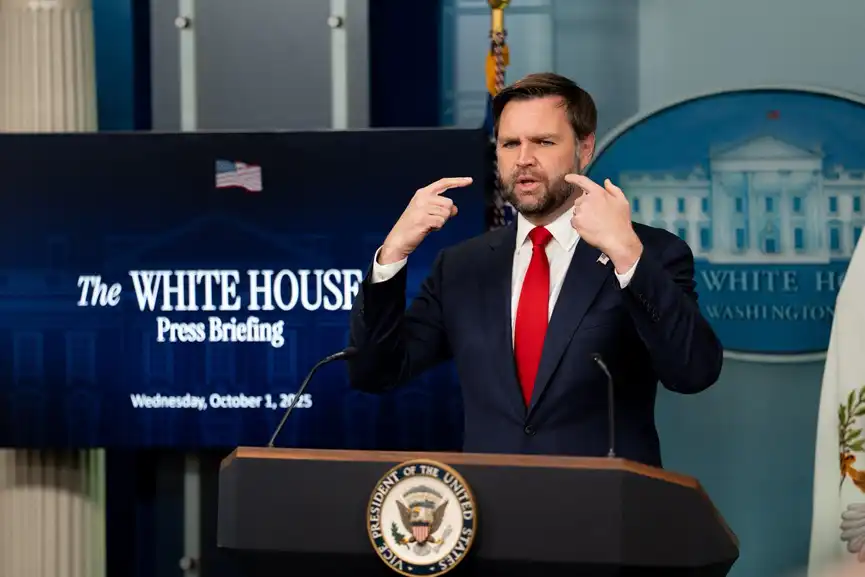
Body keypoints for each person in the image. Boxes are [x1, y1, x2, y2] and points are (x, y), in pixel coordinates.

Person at [347, 72, 723, 467]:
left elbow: (693, 371)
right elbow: (374, 373)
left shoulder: (651, 252)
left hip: (606, 515)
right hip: (490, 511)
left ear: (585, 147)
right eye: (510, 144)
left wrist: (628, 254)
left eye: (543, 142)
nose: (524, 159)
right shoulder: (462, 266)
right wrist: (392, 254)